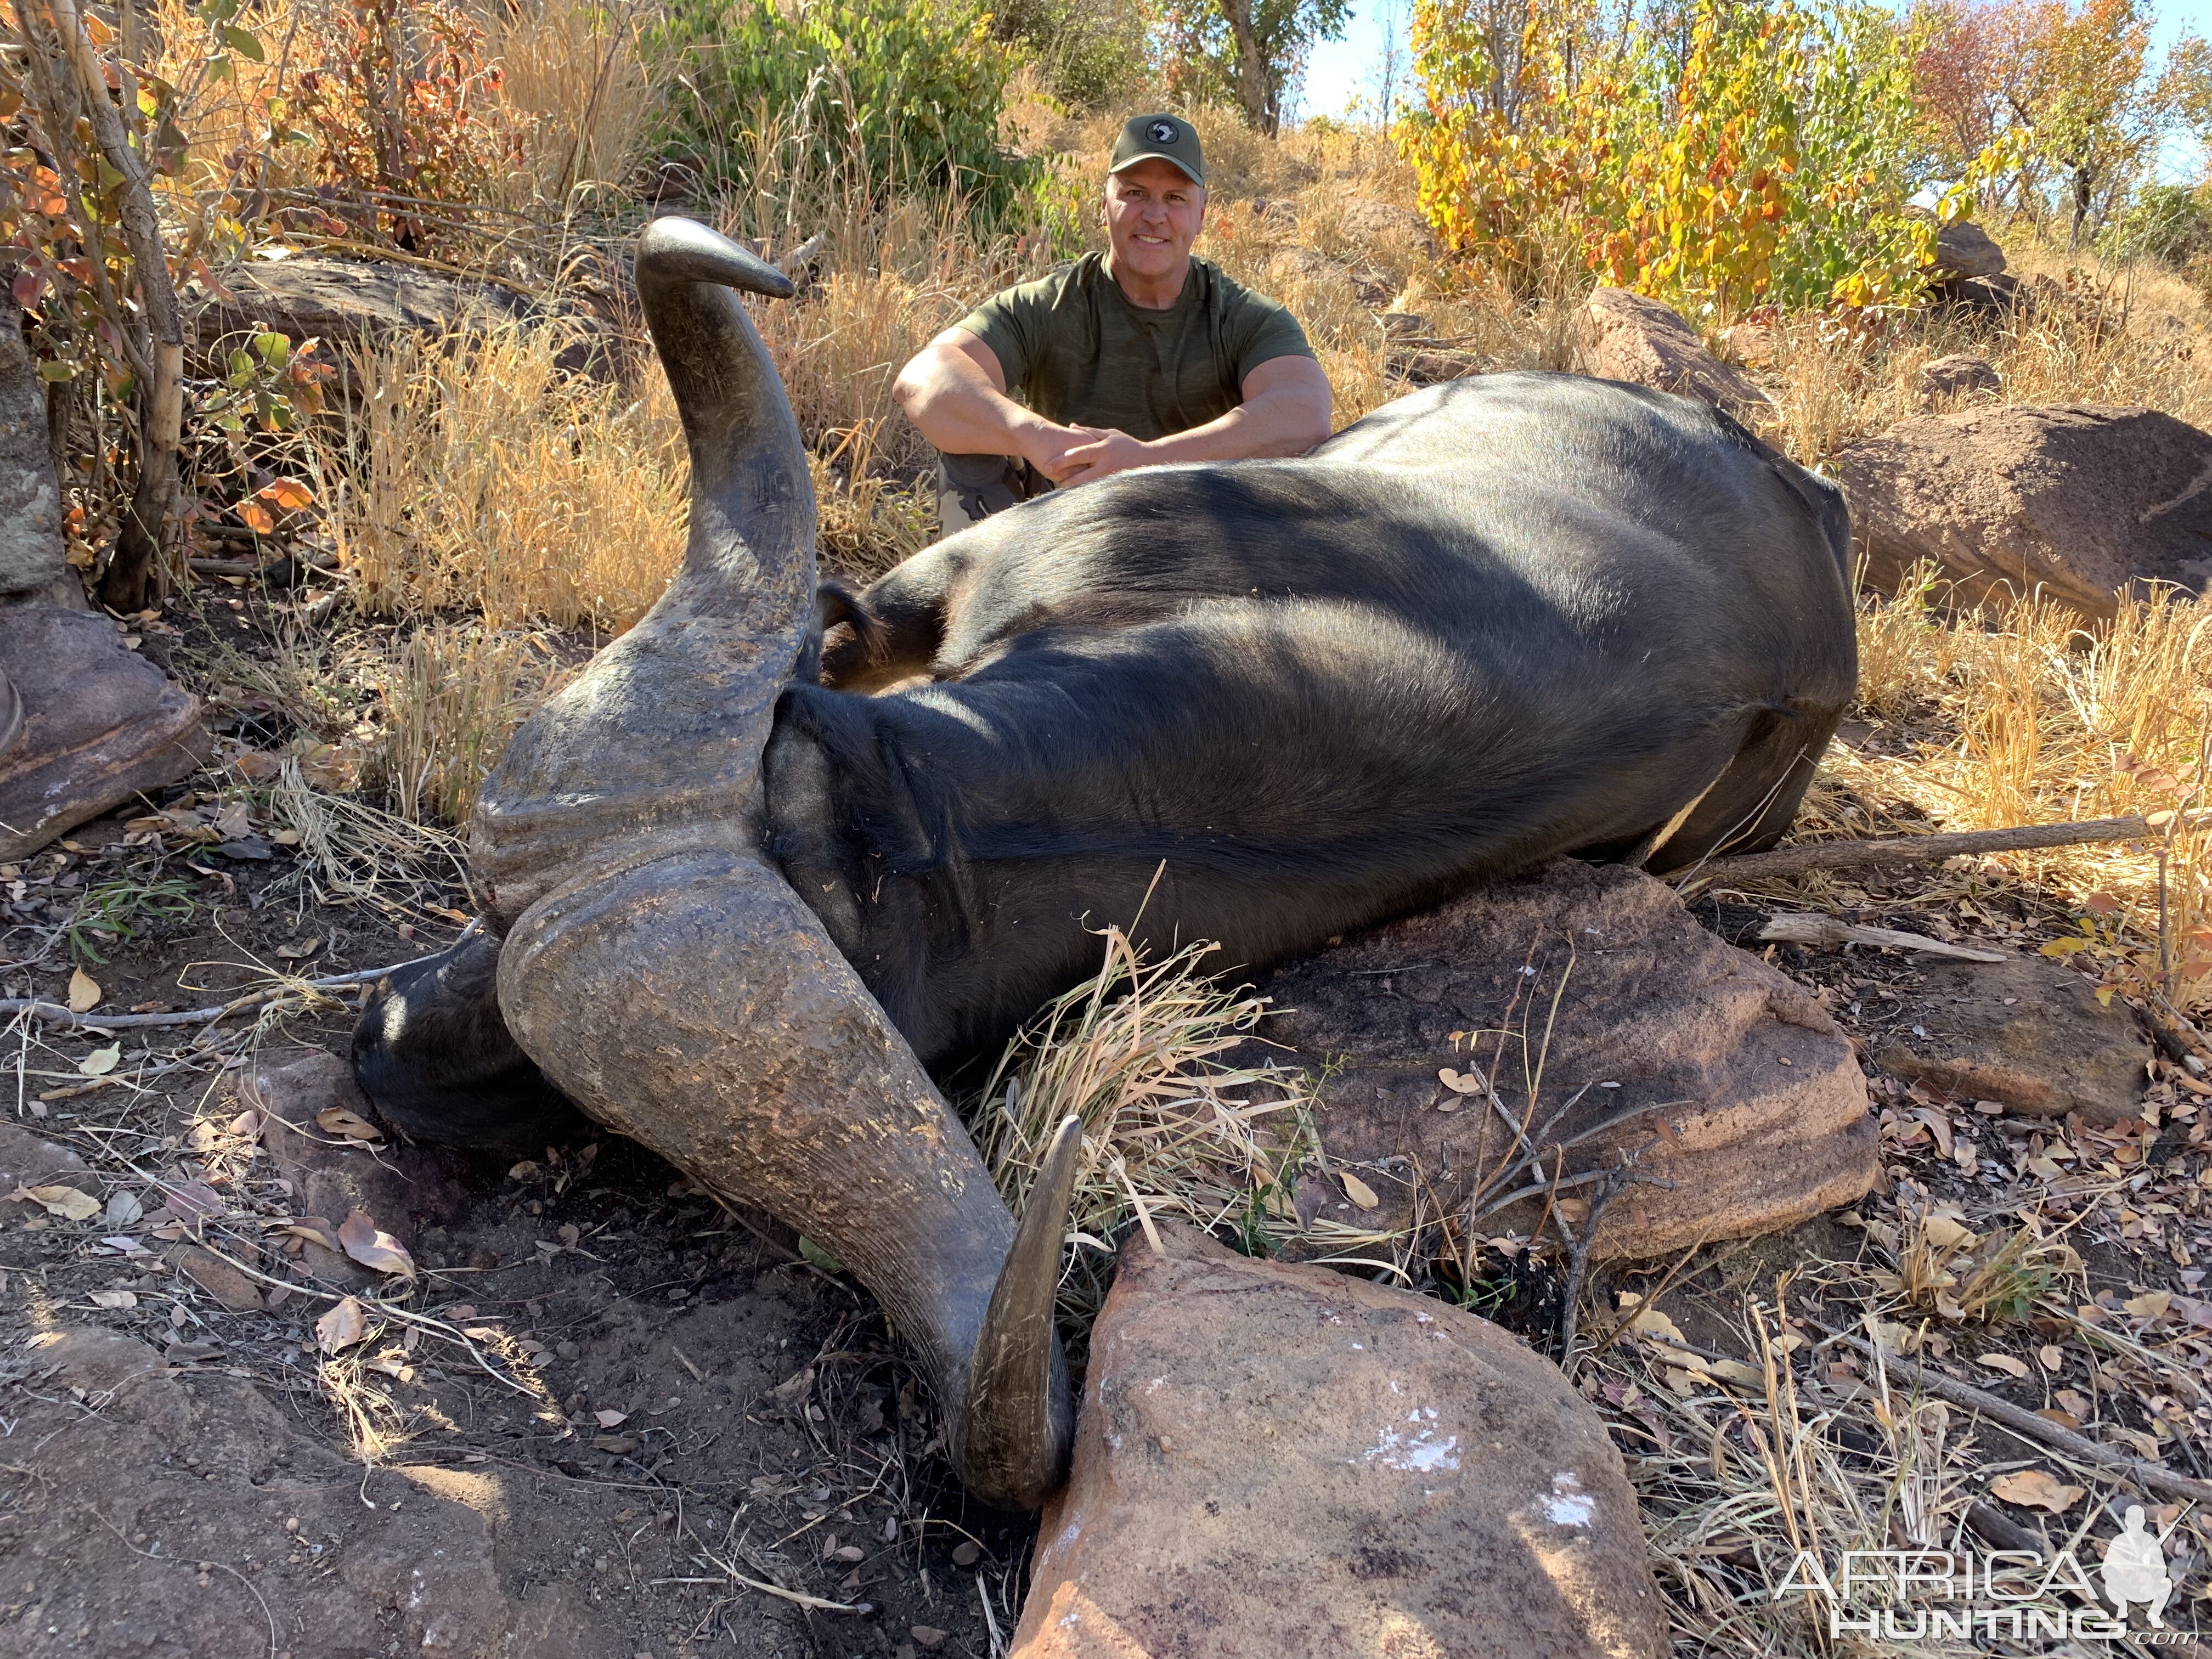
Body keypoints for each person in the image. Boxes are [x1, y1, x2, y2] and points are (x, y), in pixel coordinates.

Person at [891, 113, 1334, 532]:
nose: (1154, 215)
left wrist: (1146, 461)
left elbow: (1304, 413)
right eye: (1135, 193)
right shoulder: (1049, 304)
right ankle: (983, 609)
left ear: (1201, 214)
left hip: (1200, 529)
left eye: (1175, 198)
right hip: (1065, 526)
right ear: (1105, 206)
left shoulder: (1244, 316)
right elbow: (923, 378)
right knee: (968, 453)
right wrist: (1035, 436)